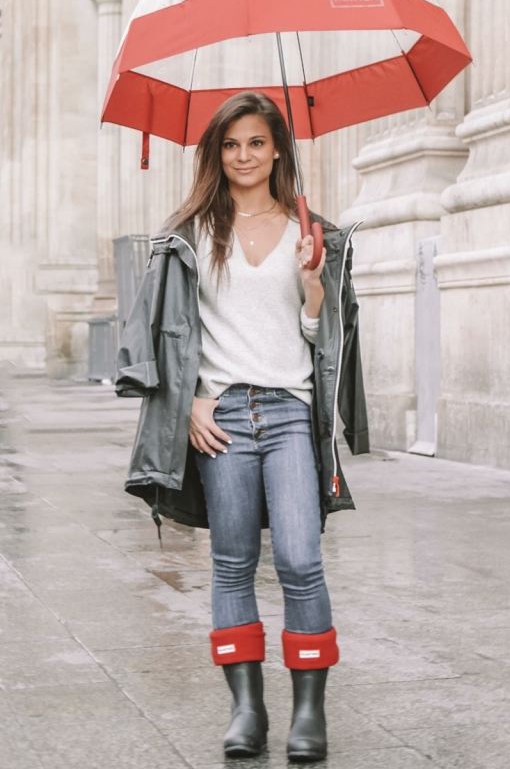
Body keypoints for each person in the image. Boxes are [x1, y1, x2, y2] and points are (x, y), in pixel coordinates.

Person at [115, 91, 369, 762]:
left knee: (300, 559)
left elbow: (318, 336)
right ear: (216, 155)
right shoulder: (190, 233)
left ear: (277, 148)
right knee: (231, 566)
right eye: (230, 145)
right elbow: (172, 334)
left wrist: (314, 285)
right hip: (221, 417)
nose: (244, 156)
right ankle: (248, 708)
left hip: (287, 411)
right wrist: (193, 397)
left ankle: (308, 713)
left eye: (256, 142)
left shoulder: (308, 231)